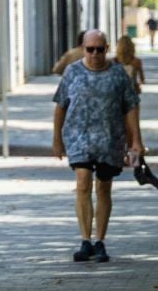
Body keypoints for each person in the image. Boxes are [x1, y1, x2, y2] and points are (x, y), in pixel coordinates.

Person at [50, 29, 143, 262]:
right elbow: (60, 106)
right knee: (83, 182)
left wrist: (136, 141)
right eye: (89, 49)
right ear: (83, 49)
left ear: (107, 49)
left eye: (99, 49)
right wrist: (56, 139)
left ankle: (100, 240)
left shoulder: (118, 75)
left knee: (103, 188)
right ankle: (85, 240)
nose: (94, 54)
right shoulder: (72, 72)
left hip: (109, 140)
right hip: (78, 138)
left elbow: (131, 107)